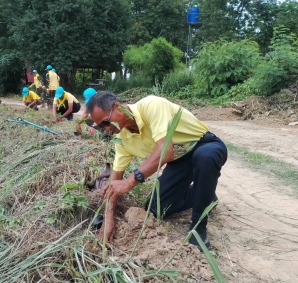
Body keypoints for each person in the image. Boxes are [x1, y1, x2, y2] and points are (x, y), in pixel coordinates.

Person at [86, 91, 228, 250]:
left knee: (205, 157)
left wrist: (130, 181)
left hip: (204, 145)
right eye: (100, 126)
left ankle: (198, 228)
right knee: (156, 208)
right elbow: (114, 180)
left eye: (105, 122)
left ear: (117, 107)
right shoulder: (122, 139)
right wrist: (108, 217)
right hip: (179, 159)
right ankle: (206, 195)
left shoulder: (151, 106)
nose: (106, 129)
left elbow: (166, 150)